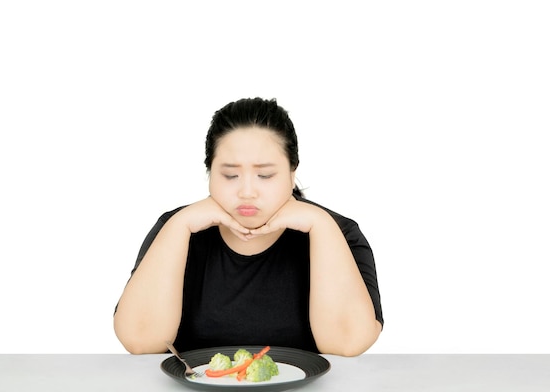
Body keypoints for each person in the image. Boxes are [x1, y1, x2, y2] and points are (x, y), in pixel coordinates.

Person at [114, 98, 383, 356]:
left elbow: (347, 345)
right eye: (230, 175)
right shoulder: (175, 228)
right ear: (210, 172)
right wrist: (180, 225)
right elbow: (140, 341)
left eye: (265, 175)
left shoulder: (339, 232)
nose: (247, 192)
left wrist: (321, 225)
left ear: (292, 171)